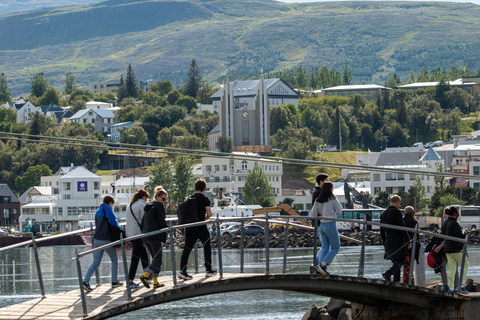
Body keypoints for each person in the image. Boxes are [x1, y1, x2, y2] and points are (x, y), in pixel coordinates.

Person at [83, 195, 123, 292]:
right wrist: (119, 228)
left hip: (96, 239)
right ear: (110, 203)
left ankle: (85, 281)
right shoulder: (107, 209)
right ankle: (114, 281)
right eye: (112, 205)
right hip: (106, 238)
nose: (112, 207)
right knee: (114, 259)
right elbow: (113, 221)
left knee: (96, 261)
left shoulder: (98, 211)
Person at [179, 179, 217, 280]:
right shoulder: (204, 199)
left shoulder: (190, 198)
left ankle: (183, 270)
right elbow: (209, 214)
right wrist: (206, 218)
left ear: (195, 188)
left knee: (187, 248)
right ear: (204, 188)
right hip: (200, 225)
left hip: (189, 227)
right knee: (207, 246)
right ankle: (208, 270)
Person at [309, 181, 341, 275]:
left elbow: (312, 214)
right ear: (331, 189)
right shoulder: (332, 199)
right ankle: (323, 264)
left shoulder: (318, 200)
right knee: (335, 247)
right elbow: (339, 211)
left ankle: (319, 267)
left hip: (321, 225)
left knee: (325, 247)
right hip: (330, 224)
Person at [139, 188, 169, 289]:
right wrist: (167, 229)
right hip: (155, 236)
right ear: (157, 197)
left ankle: (155, 281)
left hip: (146, 235)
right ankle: (145, 275)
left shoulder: (148, 207)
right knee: (158, 260)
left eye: (166, 200)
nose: (164, 201)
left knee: (155, 259)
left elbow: (143, 222)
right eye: (163, 199)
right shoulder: (158, 206)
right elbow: (161, 221)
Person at [426, 209, 458, 292]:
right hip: (445, 249)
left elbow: (448, 237)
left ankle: (453, 286)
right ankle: (447, 285)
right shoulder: (447, 223)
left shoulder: (450, 223)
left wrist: (439, 246)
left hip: (449, 248)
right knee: (444, 267)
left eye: (445, 213)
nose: (444, 215)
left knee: (450, 268)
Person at [380, 195, 409, 282]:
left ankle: (396, 281)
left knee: (395, 261)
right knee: (401, 259)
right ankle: (388, 273)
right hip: (398, 240)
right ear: (397, 202)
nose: (400, 205)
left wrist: (384, 242)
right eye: (400, 203)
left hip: (389, 239)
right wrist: (408, 240)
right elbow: (402, 227)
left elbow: (382, 230)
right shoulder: (397, 212)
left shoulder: (383, 214)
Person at [125, 188, 150, 289]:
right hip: (138, 233)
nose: (146, 200)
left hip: (130, 233)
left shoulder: (130, 205)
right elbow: (146, 219)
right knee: (135, 258)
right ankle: (130, 281)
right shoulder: (142, 205)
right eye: (146, 198)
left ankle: (147, 275)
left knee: (143, 253)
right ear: (144, 197)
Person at [443, 206, 469, 294]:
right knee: (465, 264)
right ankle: (461, 285)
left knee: (452, 269)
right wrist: (465, 232)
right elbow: (460, 236)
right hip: (455, 249)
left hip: (447, 248)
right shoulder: (454, 223)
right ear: (455, 214)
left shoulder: (445, 222)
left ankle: (451, 288)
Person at [402, 206, 420, 284]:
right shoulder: (414, 222)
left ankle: (406, 280)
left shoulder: (401, 221)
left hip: (402, 245)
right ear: (412, 213)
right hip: (411, 245)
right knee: (409, 265)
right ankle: (409, 281)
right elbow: (416, 236)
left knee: (405, 265)